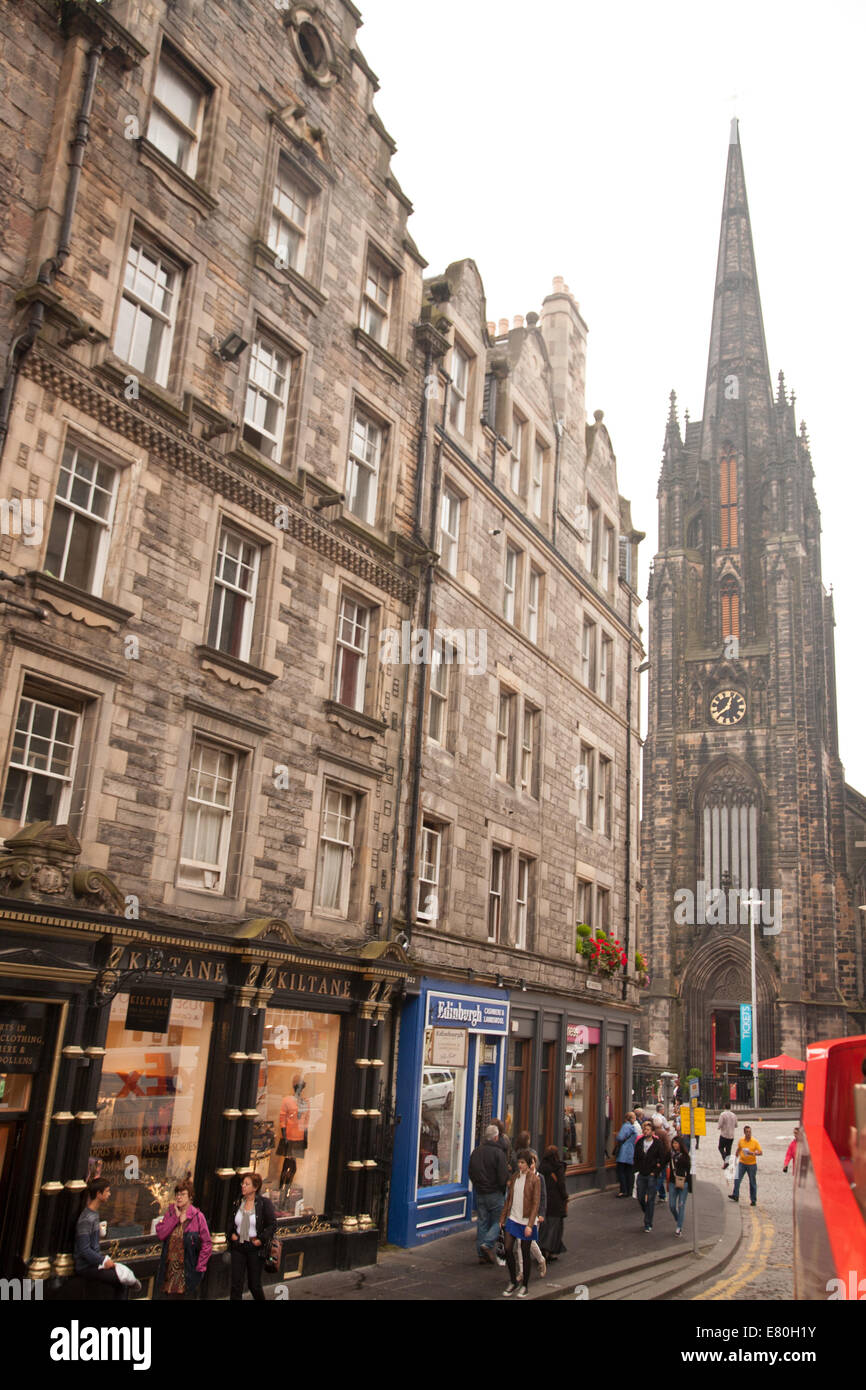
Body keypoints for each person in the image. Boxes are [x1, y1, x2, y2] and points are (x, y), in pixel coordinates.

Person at [74, 1178, 141, 1297]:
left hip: (93, 1264)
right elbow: (84, 1249)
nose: (110, 1194)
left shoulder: (94, 1214)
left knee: (121, 1281)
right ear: (99, 1194)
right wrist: (103, 1260)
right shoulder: (86, 1218)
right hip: (86, 1266)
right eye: (107, 1191)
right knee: (120, 1280)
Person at [154, 1180, 212, 1299]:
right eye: (177, 1194)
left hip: (187, 1271)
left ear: (190, 1196)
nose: (179, 1197)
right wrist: (176, 1217)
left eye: (183, 1194)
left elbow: (207, 1243)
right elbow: (161, 1234)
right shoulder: (171, 1213)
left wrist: (200, 1267)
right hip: (169, 1271)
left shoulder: (198, 1217)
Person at [499, 1150, 540, 1297]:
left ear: (529, 1164)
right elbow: (508, 1199)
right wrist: (502, 1218)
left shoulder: (535, 1180)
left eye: (523, 1162)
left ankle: (525, 1285)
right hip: (513, 1218)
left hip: (526, 1220)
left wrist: (530, 1224)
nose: (520, 1165)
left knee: (524, 1251)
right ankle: (513, 1281)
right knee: (508, 1249)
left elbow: (536, 1203)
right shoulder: (515, 1177)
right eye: (519, 1162)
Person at [229, 1171, 276, 1300]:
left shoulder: (263, 1203)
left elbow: (272, 1225)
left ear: (255, 1187)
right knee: (236, 1284)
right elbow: (231, 1221)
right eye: (242, 1183)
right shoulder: (239, 1201)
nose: (243, 1186)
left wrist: (260, 1240)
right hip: (239, 1245)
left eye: (247, 1184)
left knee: (254, 1285)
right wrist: (232, 1234)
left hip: (254, 1247)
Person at [468, 1124, 509, 1264]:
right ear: (496, 1137)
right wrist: (502, 1189)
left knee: (482, 1222)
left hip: (480, 1192)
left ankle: (481, 1254)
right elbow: (503, 1176)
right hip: (495, 1192)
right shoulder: (499, 1153)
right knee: (500, 1220)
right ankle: (487, 1243)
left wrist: (478, 1185)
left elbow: (471, 1172)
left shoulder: (476, 1152)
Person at [633, 1121, 665, 1232]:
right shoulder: (640, 1142)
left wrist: (655, 1171)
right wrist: (637, 1169)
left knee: (650, 1199)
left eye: (647, 1130)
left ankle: (648, 1223)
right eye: (644, 1130)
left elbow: (662, 1159)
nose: (645, 1131)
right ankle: (647, 1212)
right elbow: (636, 1157)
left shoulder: (657, 1144)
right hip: (642, 1173)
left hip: (652, 1174)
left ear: (652, 1132)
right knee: (641, 1197)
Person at [538, 1144, 568, 1261]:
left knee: (545, 1226)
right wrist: (565, 1196)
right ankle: (550, 1250)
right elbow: (561, 1184)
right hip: (556, 1201)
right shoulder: (558, 1167)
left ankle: (543, 1248)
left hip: (545, 1201)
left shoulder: (541, 1168)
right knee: (555, 1227)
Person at [729, 1125, 763, 1205]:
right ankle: (735, 1195)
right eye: (747, 1132)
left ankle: (753, 1200)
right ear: (744, 1133)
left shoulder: (754, 1142)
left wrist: (753, 1153)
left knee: (752, 1182)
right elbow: (739, 1149)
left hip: (751, 1164)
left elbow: (760, 1152)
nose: (748, 1133)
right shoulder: (741, 1141)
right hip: (742, 1163)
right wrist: (735, 1157)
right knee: (737, 1179)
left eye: (750, 1132)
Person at [667, 1135, 692, 1236]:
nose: (674, 1145)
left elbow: (689, 1170)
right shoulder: (671, 1155)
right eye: (673, 1143)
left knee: (681, 1205)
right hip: (673, 1182)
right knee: (672, 1205)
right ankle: (679, 1220)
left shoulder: (685, 1156)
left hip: (683, 1182)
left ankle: (679, 1227)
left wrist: (689, 1185)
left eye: (676, 1143)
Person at [614, 1111, 641, 1197]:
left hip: (624, 1152)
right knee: (629, 1171)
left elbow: (620, 1137)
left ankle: (623, 1190)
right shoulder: (633, 1127)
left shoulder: (626, 1126)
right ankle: (629, 1190)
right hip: (630, 1151)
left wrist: (617, 1135)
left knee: (621, 1171)